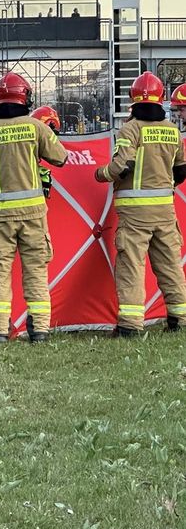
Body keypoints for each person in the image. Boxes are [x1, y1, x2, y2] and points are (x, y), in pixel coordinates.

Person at [0, 72, 67, 343]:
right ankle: (40, 331)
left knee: (0, 271)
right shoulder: (36, 127)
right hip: (34, 214)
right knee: (36, 270)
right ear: (25, 97)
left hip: (0, 215)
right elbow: (61, 157)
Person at [94, 71, 186, 337]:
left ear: (133, 100)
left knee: (131, 266)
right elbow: (181, 170)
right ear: (161, 100)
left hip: (134, 214)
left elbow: (122, 165)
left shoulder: (130, 128)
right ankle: (178, 319)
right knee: (170, 265)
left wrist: (100, 174)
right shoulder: (172, 131)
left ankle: (130, 326)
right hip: (165, 212)